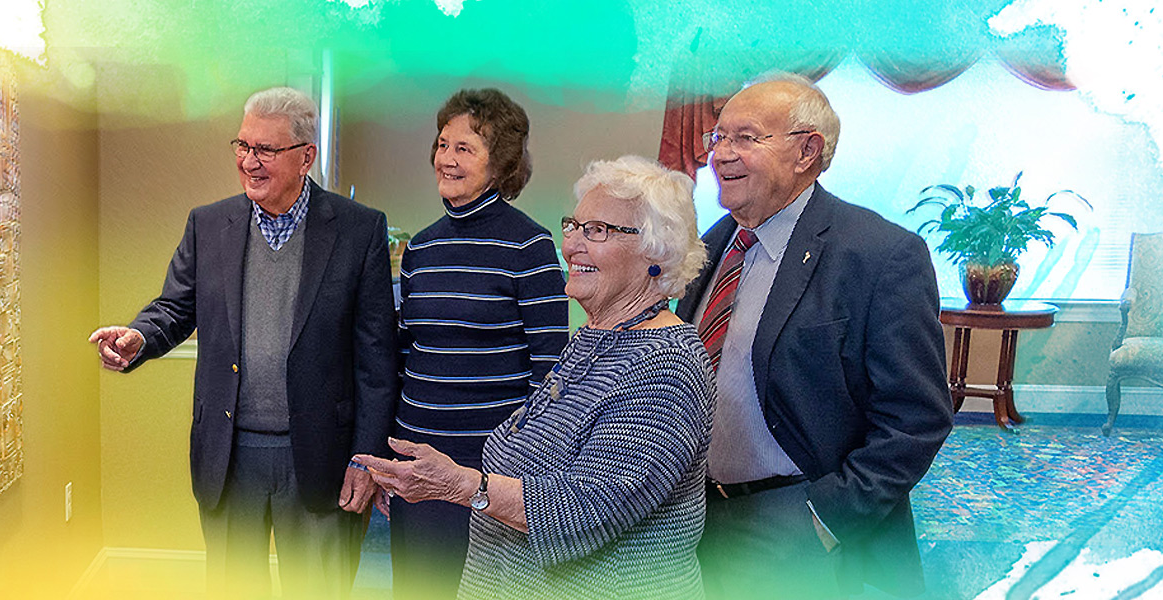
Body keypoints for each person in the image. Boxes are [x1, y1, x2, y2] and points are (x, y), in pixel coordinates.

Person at [356, 156, 716, 600]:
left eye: (597, 230)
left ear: (656, 254)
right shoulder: (592, 340)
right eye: (574, 226)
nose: (572, 246)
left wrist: (464, 484)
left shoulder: (665, 364)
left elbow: (589, 509)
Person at [87, 86, 397, 599]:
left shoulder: (358, 230)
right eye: (242, 146)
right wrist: (139, 336)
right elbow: (176, 307)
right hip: (229, 455)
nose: (249, 162)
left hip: (320, 457)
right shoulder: (208, 224)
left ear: (306, 157)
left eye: (266, 150)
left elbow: (376, 359)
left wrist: (367, 456)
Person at [673, 72, 953, 599]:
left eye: (745, 138)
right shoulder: (709, 248)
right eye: (718, 137)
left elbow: (917, 417)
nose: (720, 154)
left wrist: (825, 520)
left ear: (807, 151)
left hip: (800, 523)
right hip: (695, 517)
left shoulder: (879, 255)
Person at [387, 88, 567, 600]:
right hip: (416, 458)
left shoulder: (529, 245)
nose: (445, 158)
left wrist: (520, 469)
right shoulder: (420, 247)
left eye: (464, 148)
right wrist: (393, 460)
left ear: (501, 161)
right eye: (442, 144)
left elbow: (552, 370)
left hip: (486, 470)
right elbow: (406, 356)